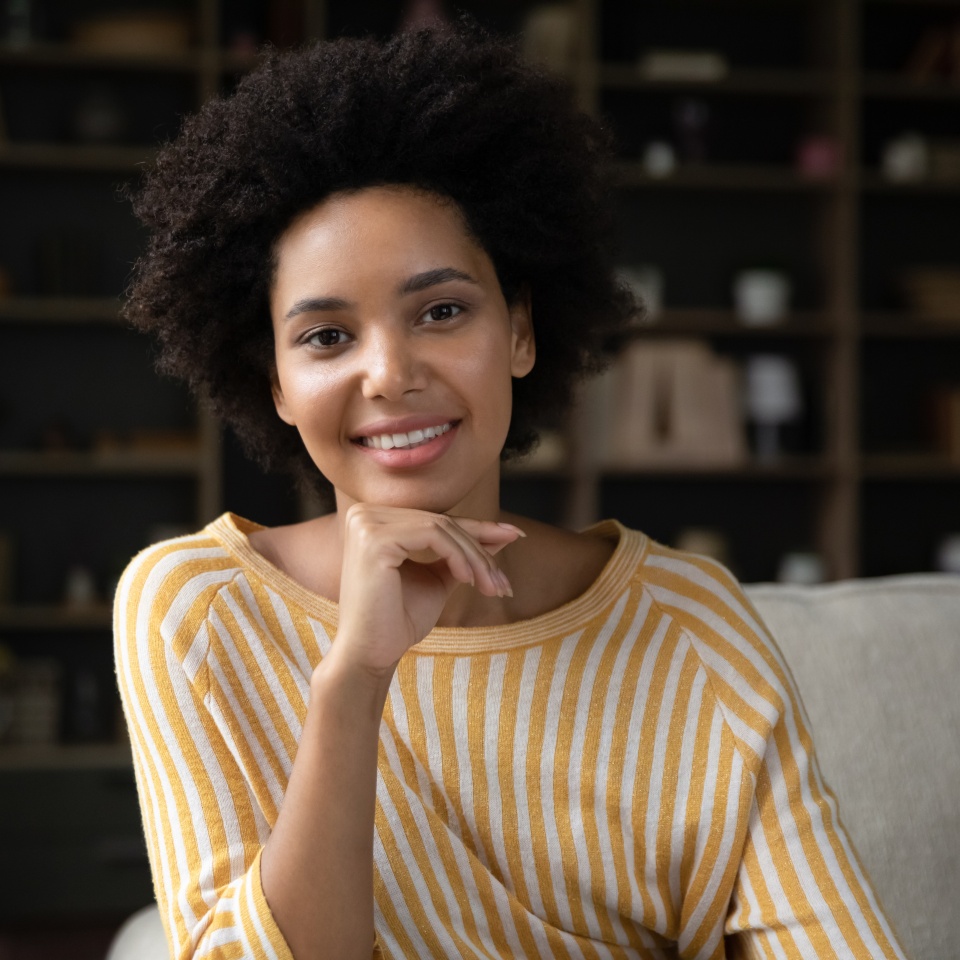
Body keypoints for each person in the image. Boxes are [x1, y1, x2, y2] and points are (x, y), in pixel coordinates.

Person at [114, 22, 907, 960]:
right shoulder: (199, 611)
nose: (389, 373)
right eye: (327, 337)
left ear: (521, 332)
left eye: (441, 311)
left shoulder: (691, 627)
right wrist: (354, 683)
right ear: (277, 384)